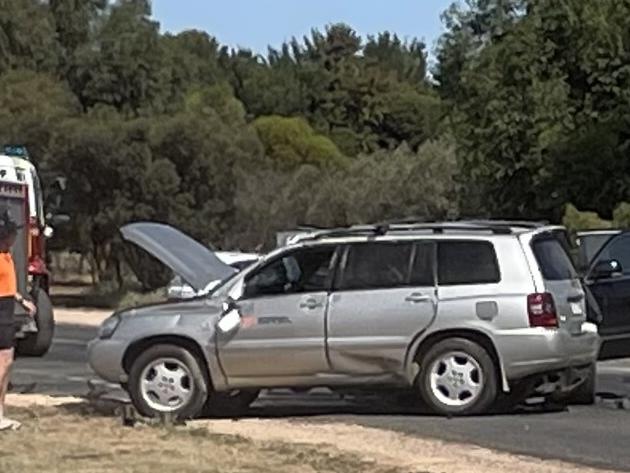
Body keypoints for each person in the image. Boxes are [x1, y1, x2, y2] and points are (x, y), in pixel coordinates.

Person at [0, 210, 36, 431]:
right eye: (12, 233)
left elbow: (7, 286)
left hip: (6, 307)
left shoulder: (7, 255)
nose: (15, 237)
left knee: (7, 362)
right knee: (3, 363)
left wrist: (22, 300)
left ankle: (1, 412)